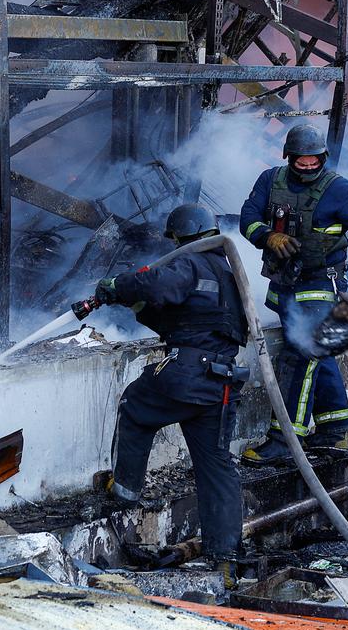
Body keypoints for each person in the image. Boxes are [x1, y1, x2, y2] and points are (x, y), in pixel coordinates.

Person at [237, 124, 348, 463]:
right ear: (288, 157)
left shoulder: (341, 190)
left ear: (324, 157)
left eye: (314, 161)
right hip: (284, 283)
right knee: (318, 354)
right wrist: (267, 236)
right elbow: (247, 217)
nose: (308, 167)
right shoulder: (270, 180)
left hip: (321, 285)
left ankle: (285, 440)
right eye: (301, 162)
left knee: (300, 353)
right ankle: (334, 431)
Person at [95, 203, 246, 588]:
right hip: (221, 381)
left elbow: (157, 285)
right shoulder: (229, 274)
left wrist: (118, 287)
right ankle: (225, 562)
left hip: (187, 371)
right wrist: (139, 307)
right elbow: (187, 316)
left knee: (134, 405)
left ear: (181, 237)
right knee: (217, 466)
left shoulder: (190, 262)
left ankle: (125, 490)